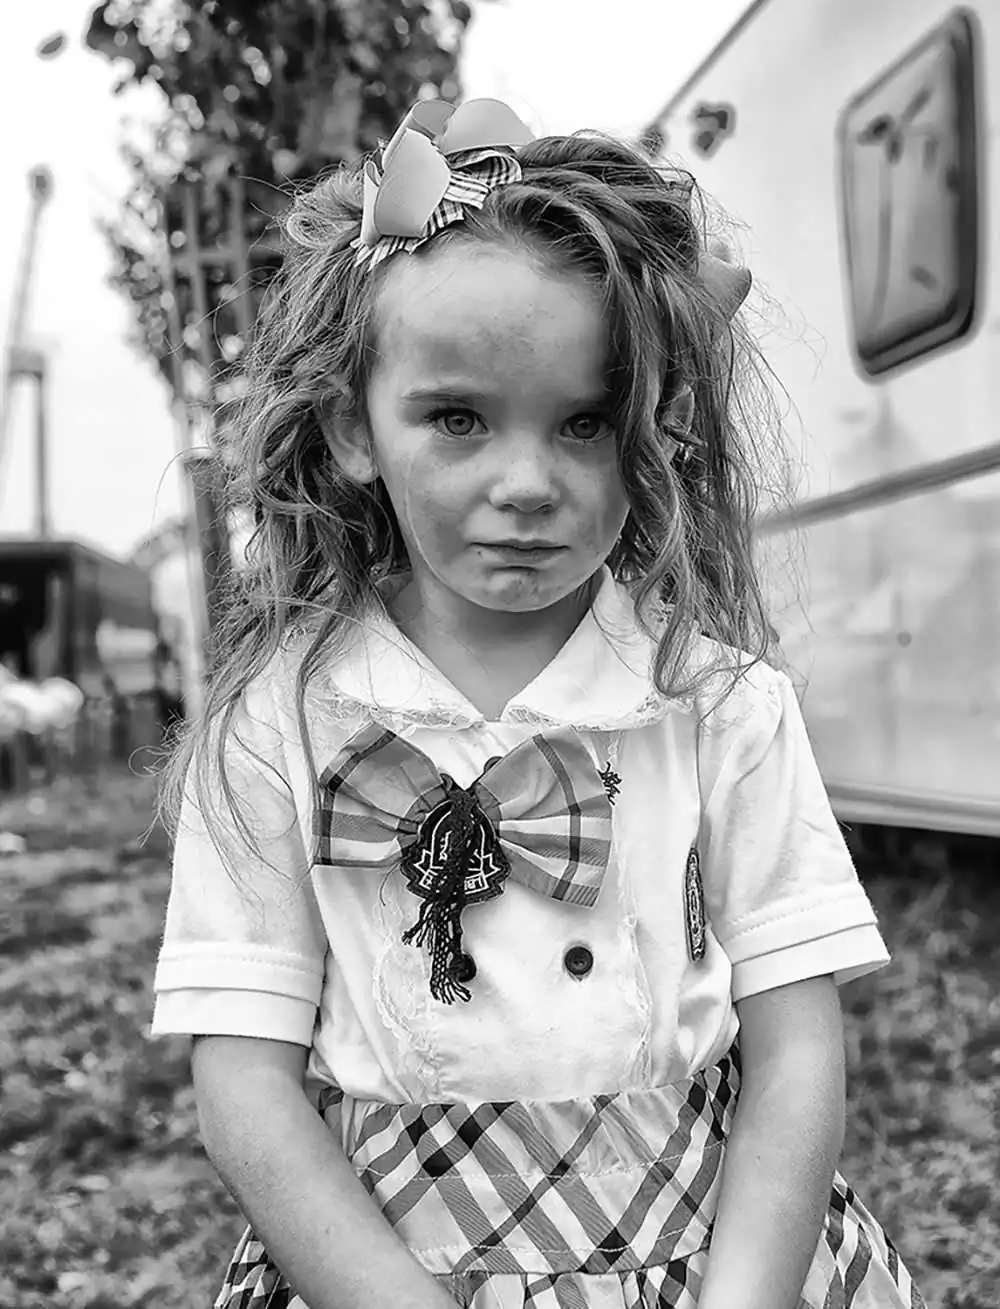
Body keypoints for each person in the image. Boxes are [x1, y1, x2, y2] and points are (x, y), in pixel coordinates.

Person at [150, 98, 925, 1309]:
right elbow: (244, 1085)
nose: (526, 482)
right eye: (457, 418)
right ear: (354, 427)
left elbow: (795, 1047)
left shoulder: (723, 706)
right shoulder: (277, 722)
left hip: (711, 1262)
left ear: (656, 428)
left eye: (585, 423)